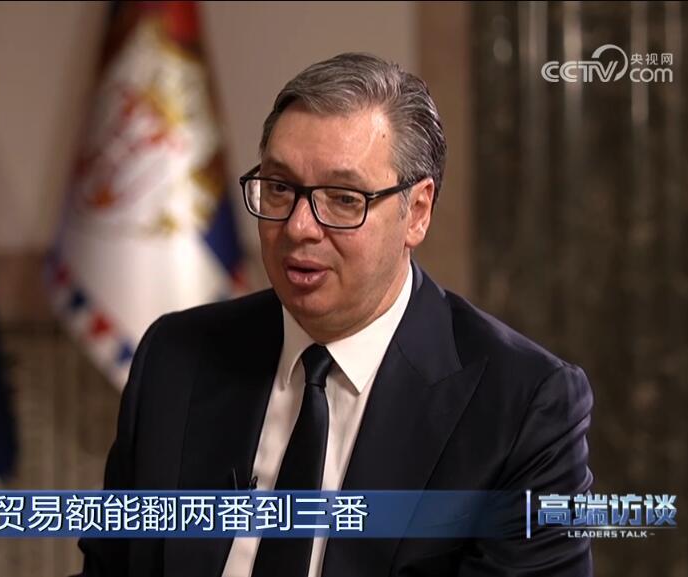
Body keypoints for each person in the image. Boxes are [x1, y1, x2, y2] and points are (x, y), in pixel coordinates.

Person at [76, 52, 594, 577]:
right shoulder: (176, 357)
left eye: (343, 199)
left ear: (417, 213)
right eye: (280, 188)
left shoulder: (522, 405)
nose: (299, 227)